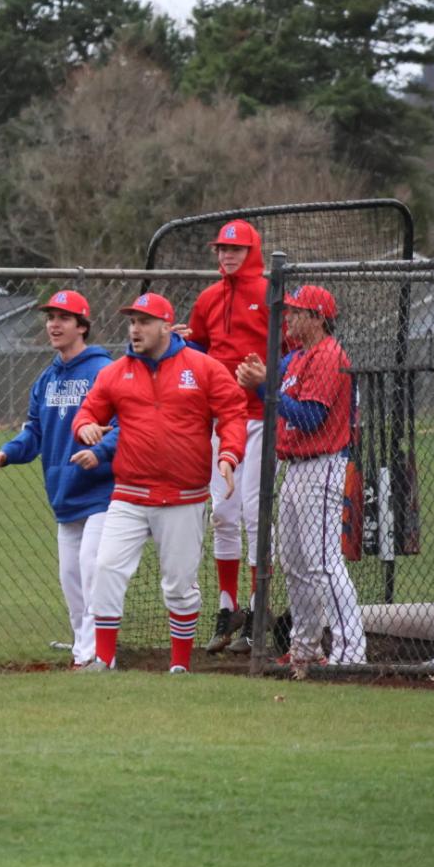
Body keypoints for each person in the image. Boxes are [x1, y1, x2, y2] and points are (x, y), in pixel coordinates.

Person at [71, 292, 248, 673]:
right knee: (105, 569)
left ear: (167, 326)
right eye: (132, 322)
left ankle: (180, 665)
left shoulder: (202, 367)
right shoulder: (116, 372)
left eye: (144, 321)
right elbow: (90, 410)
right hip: (129, 494)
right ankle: (103, 659)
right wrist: (84, 425)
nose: (135, 329)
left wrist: (229, 454)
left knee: (179, 585)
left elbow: (233, 412)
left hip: (183, 496)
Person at [235, 285, 366, 668]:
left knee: (323, 562)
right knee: (294, 562)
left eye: (297, 312)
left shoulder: (329, 355)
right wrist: (259, 377)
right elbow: (268, 381)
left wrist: (264, 385)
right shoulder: (295, 358)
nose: (288, 318)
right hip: (295, 467)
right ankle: (306, 648)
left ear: (318, 318)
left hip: (322, 463)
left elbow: (310, 417)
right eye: (288, 311)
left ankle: (351, 652)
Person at [0, 290, 117, 668]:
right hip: (63, 493)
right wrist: (7, 453)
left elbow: (124, 425)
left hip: (100, 490)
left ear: (82, 326)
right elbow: (35, 434)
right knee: (70, 579)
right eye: (50, 318)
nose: (53, 325)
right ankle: (82, 650)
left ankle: (96, 654)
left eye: (63, 317)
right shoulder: (46, 379)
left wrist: (102, 447)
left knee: (93, 570)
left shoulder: (102, 372)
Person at [175, 219, 268, 654]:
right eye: (221, 249)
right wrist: (179, 346)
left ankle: (258, 608)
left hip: (264, 417)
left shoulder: (270, 293)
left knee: (254, 514)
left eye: (235, 249)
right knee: (223, 514)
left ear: (253, 252)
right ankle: (228, 608)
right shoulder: (210, 298)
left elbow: (291, 348)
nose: (226, 256)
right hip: (222, 420)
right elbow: (201, 349)